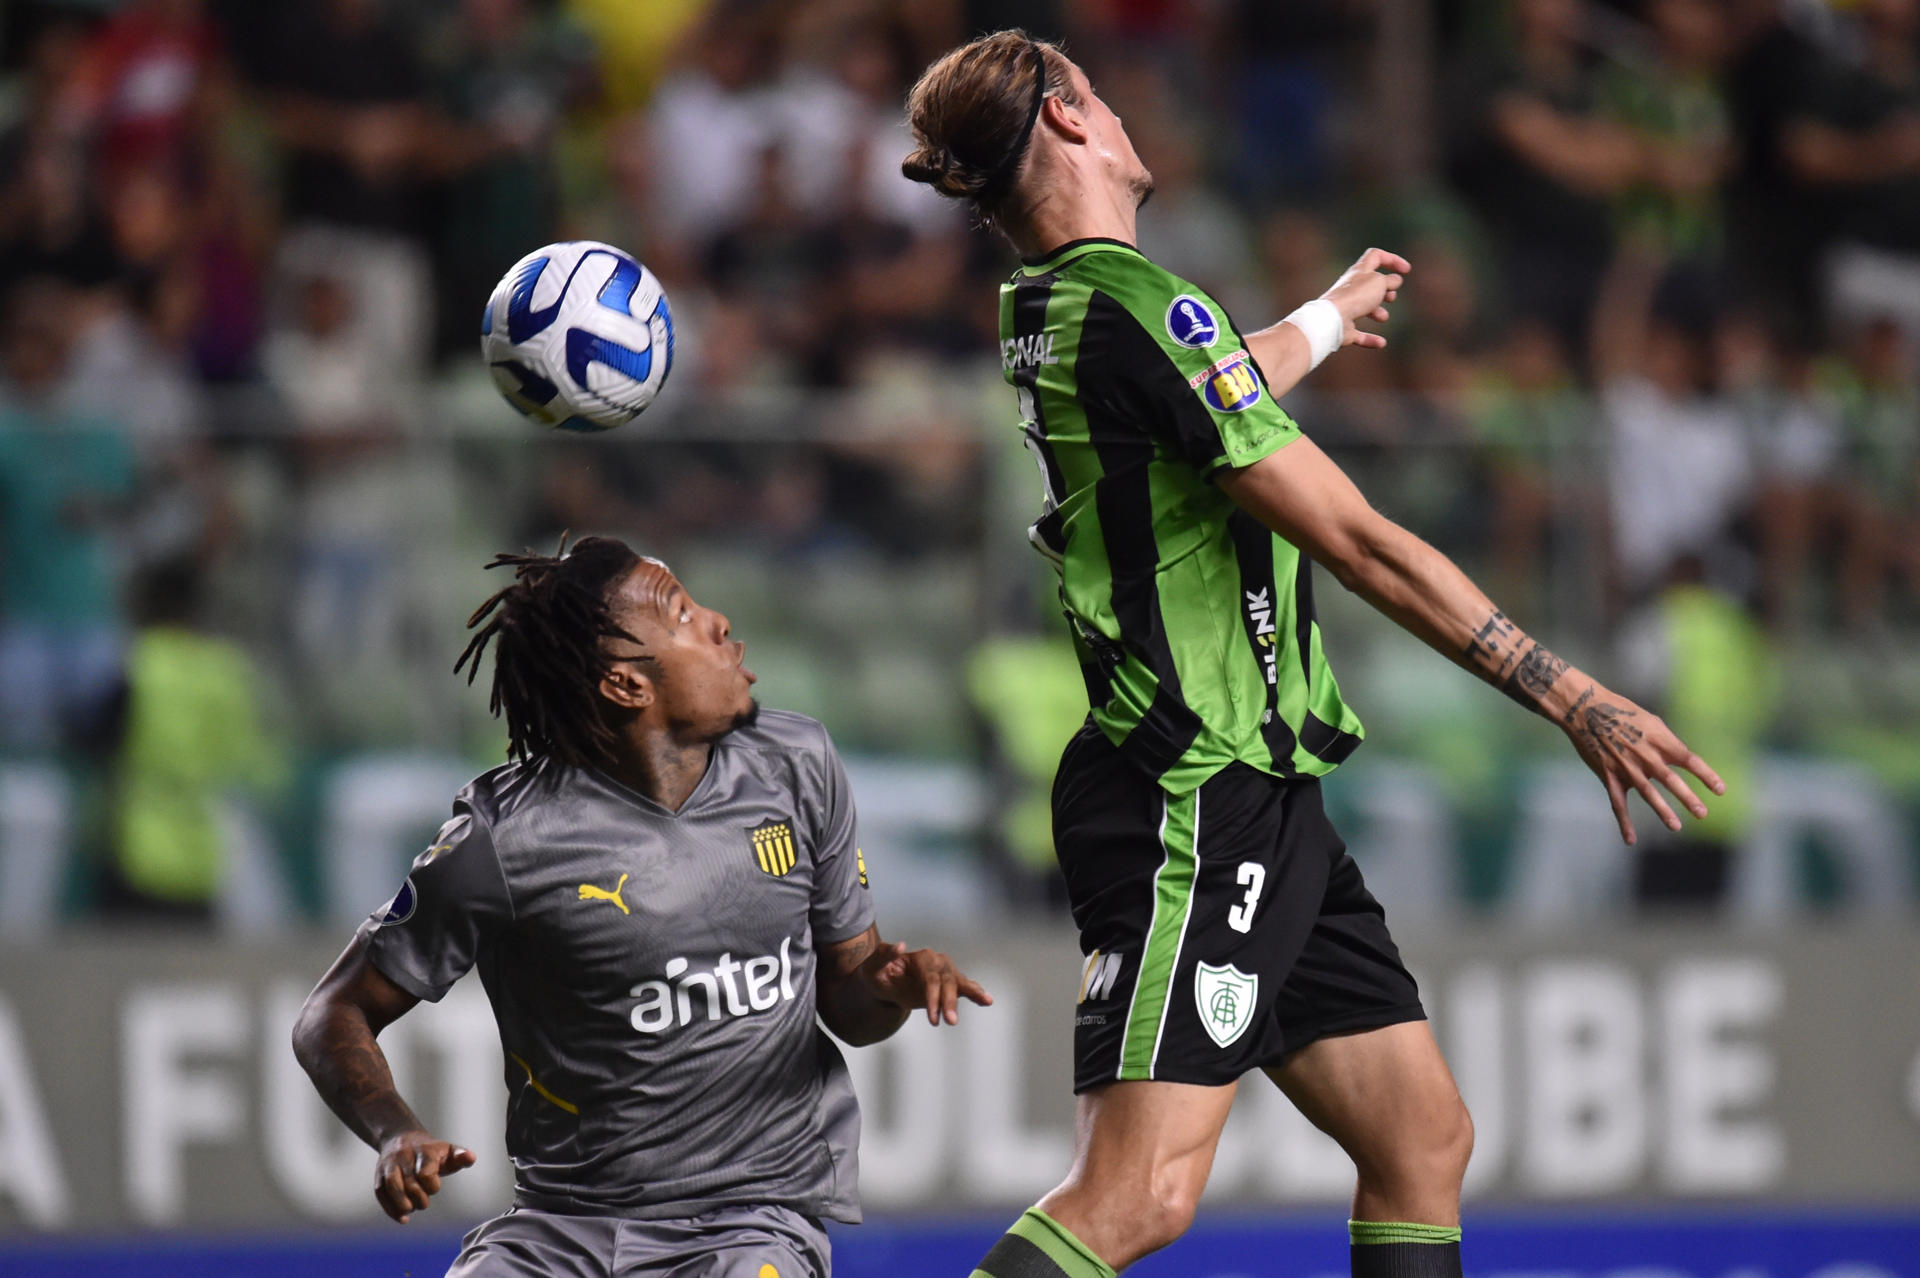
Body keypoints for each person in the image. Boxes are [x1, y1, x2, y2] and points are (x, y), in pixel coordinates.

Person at [900, 31, 1724, 1278]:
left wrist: (1320, 323)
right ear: (1068, 118)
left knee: (1421, 1137)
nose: (1128, 115)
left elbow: (1198, 396)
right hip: (1194, 791)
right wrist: (1571, 694)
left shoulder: (1049, 305)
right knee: (1140, 1196)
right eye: (1106, 93)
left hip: (1258, 793)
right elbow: (1357, 540)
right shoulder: (1137, 304)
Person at [292, 536, 990, 1276]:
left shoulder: (798, 766)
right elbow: (330, 1013)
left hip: (748, 1224)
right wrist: (395, 1132)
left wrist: (888, 984)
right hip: (558, 1230)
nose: (719, 621)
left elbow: (849, 1003)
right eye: (683, 615)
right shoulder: (503, 841)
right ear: (627, 687)